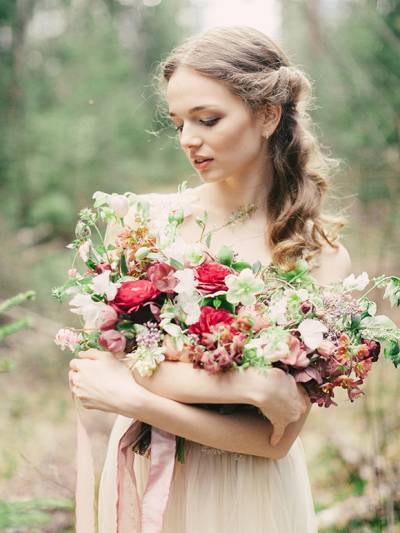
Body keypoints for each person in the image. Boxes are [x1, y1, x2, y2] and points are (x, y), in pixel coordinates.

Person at [68, 26, 351, 532]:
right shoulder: (145, 224)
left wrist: (135, 396)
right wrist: (255, 386)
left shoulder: (318, 258)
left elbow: (275, 440)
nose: (188, 140)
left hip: (252, 496)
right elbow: (102, 369)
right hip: (145, 472)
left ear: (268, 114)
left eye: (207, 119)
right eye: (178, 123)